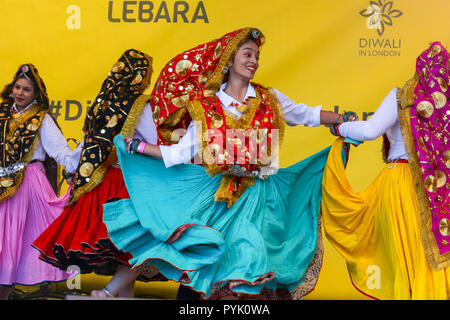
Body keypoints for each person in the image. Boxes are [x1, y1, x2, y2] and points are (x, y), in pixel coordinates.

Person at [101, 27, 357, 299]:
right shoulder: (206, 105)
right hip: (215, 198)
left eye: (257, 56)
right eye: (247, 54)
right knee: (205, 268)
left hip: (257, 199)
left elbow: (307, 114)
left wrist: (341, 121)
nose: (254, 60)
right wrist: (137, 146)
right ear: (229, 60)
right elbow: (177, 155)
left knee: (246, 262)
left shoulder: (269, 98)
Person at [322, 41, 450, 299]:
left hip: (401, 185)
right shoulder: (444, 108)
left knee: (406, 257)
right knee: (431, 256)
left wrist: (340, 128)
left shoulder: (402, 96)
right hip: (437, 192)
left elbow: (369, 131)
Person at [32, 49, 160, 298]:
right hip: (128, 185)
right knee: (144, 245)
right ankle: (107, 293)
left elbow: (88, 143)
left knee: (125, 249)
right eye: (147, 74)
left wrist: (72, 168)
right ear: (139, 76)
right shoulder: (140, 105)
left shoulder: (102, 103)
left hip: (99, 184)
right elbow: (153, 142)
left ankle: (116, 294)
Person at [0, 64, 81, 299]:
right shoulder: (3, 113)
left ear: (36, 94)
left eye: (26, 89)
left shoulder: (42, 119)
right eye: (17, 87)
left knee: (16, 243)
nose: (20, 93)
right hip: (2, 184)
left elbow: (61, 153)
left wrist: (83, 156)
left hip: (28, 185)